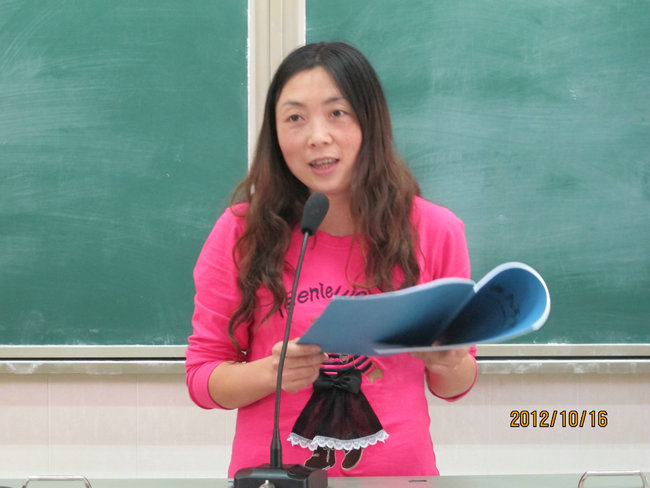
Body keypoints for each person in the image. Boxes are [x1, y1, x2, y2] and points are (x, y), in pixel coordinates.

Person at [185, 41, 478, 478]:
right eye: (295, 118)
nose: (317, 136)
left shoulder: (434, 229)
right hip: (276, 480)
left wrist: (449, 362)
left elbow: (455, 384)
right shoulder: (241, 232)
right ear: (275, 134)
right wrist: (270, 373)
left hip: (400, 480)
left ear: (370, 121)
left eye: (337, 113)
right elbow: (202, 378)